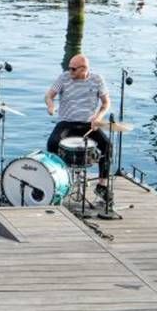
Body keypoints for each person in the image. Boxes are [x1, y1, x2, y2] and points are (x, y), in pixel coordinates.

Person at [45, 54, 114, 203]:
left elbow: (106, 103)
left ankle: (102, 185)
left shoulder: (97, 79)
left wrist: (99, 117)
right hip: (66, 122)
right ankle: (55, 181)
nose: (70, 71)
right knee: (52, 143)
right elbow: (49, 95)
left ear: (84, 69)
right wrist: (51, 105)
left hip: (87, 124)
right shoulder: (64, 78)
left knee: (107, 145)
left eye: (73, 69)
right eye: (69, 68)